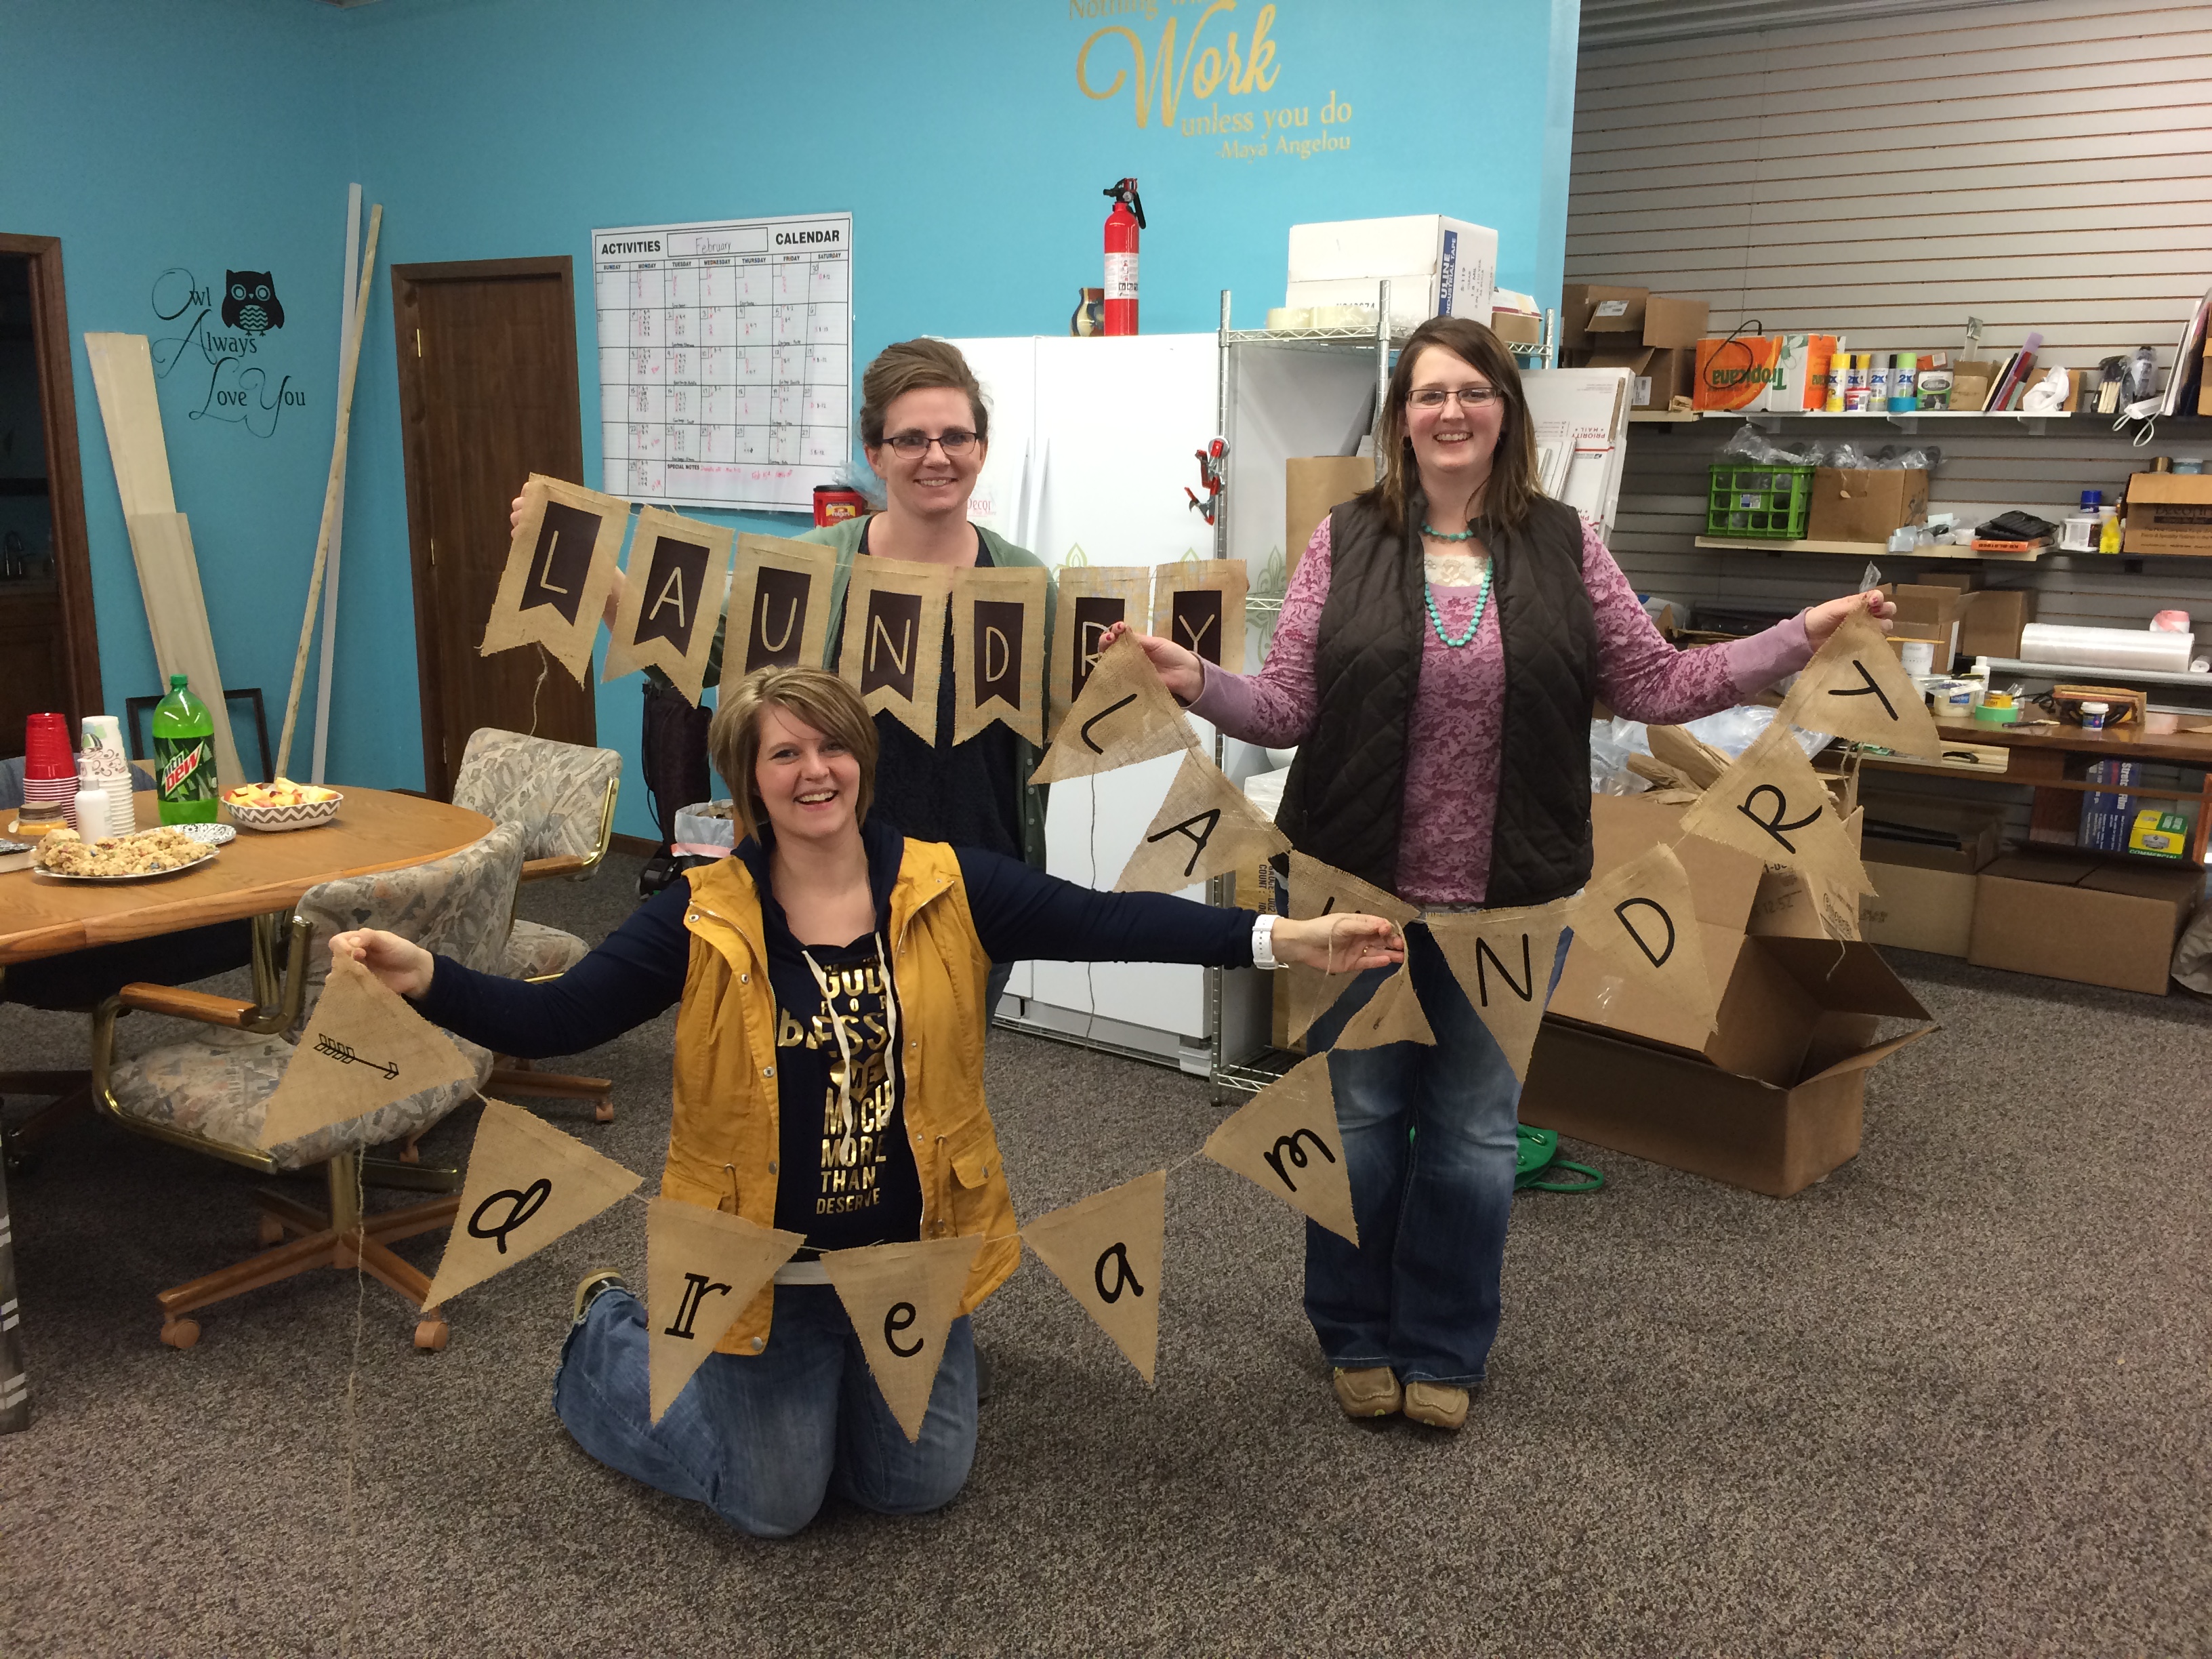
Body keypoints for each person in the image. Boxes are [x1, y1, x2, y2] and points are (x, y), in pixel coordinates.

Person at [332, 666, 1401, 1537]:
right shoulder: (700, 915)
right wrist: (426, 977)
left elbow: (1108, 922)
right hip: (773, 1266)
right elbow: (560, 1019)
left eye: (831, 746)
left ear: (863, 761)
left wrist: (1284, 940)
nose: (814, 770)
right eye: (784, 753)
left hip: (911, 1254)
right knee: (774, 1503)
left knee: (913, 1487)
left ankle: (830, 1374)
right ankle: (609, 1335)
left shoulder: (945, 881)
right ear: (750, 781)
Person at [1104, 314, 1894, 1434]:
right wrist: (1191, 676)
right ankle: (1351, 1328)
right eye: (1427, 393)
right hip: (1353, 888)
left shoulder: (1566, 546)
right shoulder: (1342, 541)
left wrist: (1799, 633)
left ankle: (1441, 1340)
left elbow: (1663, 685)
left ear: (1502, 414)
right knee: (1362, 1123)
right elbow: (1283, 710)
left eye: (1471, 391)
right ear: (1400, 417)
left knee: (1474, 1138)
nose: (1449, 411)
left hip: (1513, 897)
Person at [523, 338, 1052, 1015]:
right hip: (823, 895)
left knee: (941, 1097)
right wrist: (589, 564)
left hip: (975, 891)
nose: (937, 456)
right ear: (877, 453)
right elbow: (681, 652)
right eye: (912, 438)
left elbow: (1064, 709)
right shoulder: (809, 570)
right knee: (817, 1091)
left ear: (980, 448)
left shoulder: (1025, 580)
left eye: (956, 436)